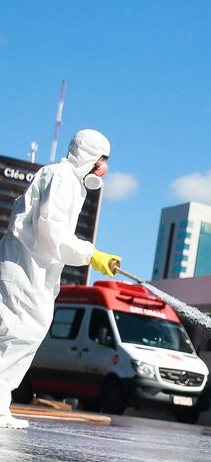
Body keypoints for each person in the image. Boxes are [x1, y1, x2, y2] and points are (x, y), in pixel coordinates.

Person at [0, 129, 122, 429]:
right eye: (103, 159)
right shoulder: (59, 177)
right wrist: (90, 253)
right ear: (90, 156)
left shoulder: (72, 183)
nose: (104, 167)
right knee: (20, 332)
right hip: (24, 266)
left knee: (26, 332)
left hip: (37, 270)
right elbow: (50, 231)